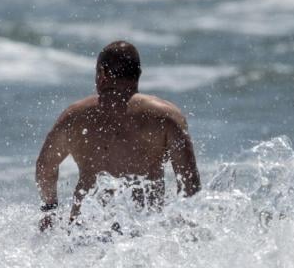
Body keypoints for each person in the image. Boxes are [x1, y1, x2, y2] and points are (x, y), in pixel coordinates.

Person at [35, 40, 201, 230]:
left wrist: (50, 209)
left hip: (85, 231)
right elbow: (190, 187)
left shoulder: (74, 116)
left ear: (103, 74)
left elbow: (44, 166)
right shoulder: (167, 116)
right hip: (142, 234)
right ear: (138, 74)